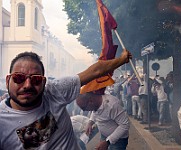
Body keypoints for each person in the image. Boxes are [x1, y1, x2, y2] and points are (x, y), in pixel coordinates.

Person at [0, 49, 131, 150]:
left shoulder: (54, 92)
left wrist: (122, 59)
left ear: (44, 82)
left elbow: (95, 71)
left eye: (36, 79)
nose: (27, 85)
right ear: (7, 81)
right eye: (19, 78)